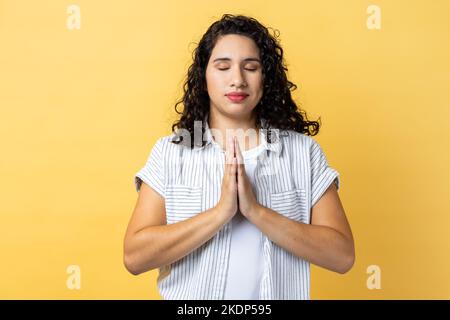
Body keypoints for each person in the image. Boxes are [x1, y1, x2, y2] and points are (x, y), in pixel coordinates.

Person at [123, 14, 355, 300]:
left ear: (265, 77)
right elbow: (134, 257)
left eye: (251, 67)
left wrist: (256, 212)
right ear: (204, 77)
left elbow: (342, 256)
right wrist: (220, 213)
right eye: (223, 67)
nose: (237, 80)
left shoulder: (302, 153)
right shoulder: (171, 152)